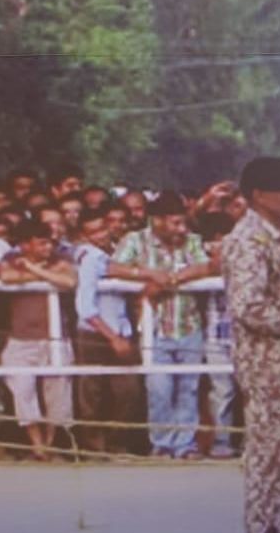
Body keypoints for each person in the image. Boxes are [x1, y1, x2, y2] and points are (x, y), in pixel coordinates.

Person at [221, 158, 280, 533]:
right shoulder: (247, 241)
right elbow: (249, 307)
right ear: (259, 195)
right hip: (268, 372)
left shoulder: (272, 238)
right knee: (272, 468)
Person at [113, 190, 216, 459]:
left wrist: (174, 278)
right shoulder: (135, 240)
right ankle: (161, 443)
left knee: (188, 388)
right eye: (174, 223)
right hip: (154, 330)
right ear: (157, 221)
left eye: (182, 222)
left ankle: (184, 445)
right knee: (159, 389)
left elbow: (208, 267)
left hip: (189, 325)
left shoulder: (191, 241)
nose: (181, 229)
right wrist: (146, 273)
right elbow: (112, 268)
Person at [0, 219, 77, 461]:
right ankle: (37, 445)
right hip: (21, 340)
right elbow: (5, 276)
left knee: (59, 391)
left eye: (49, 242)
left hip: (55, 338)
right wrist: (41, 275)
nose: (47, 247)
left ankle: (54, 444)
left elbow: (70, 281)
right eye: (41, 243)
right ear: (25, 245)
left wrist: (34, 270)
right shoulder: (10, 261)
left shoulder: (61, 261)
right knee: (22, 389)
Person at [73, 208, 142, 455]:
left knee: (127, 390)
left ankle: (115, 443)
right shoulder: (89, 255)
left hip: (120, 328)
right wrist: (112, 338)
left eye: (103, 228)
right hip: (96, 332)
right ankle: (94, 447)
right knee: (92, 391)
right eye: (94, 231)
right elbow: (84, 307)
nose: (101, 234)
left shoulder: (116, 251)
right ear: (83, 234)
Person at [197, 211, 239, 459]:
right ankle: (220, 442)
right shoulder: (199, 258)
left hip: (245, 334)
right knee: (221, 390)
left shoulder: (245, 254)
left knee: (251, 391)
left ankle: (250, 441)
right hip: (214, 335)